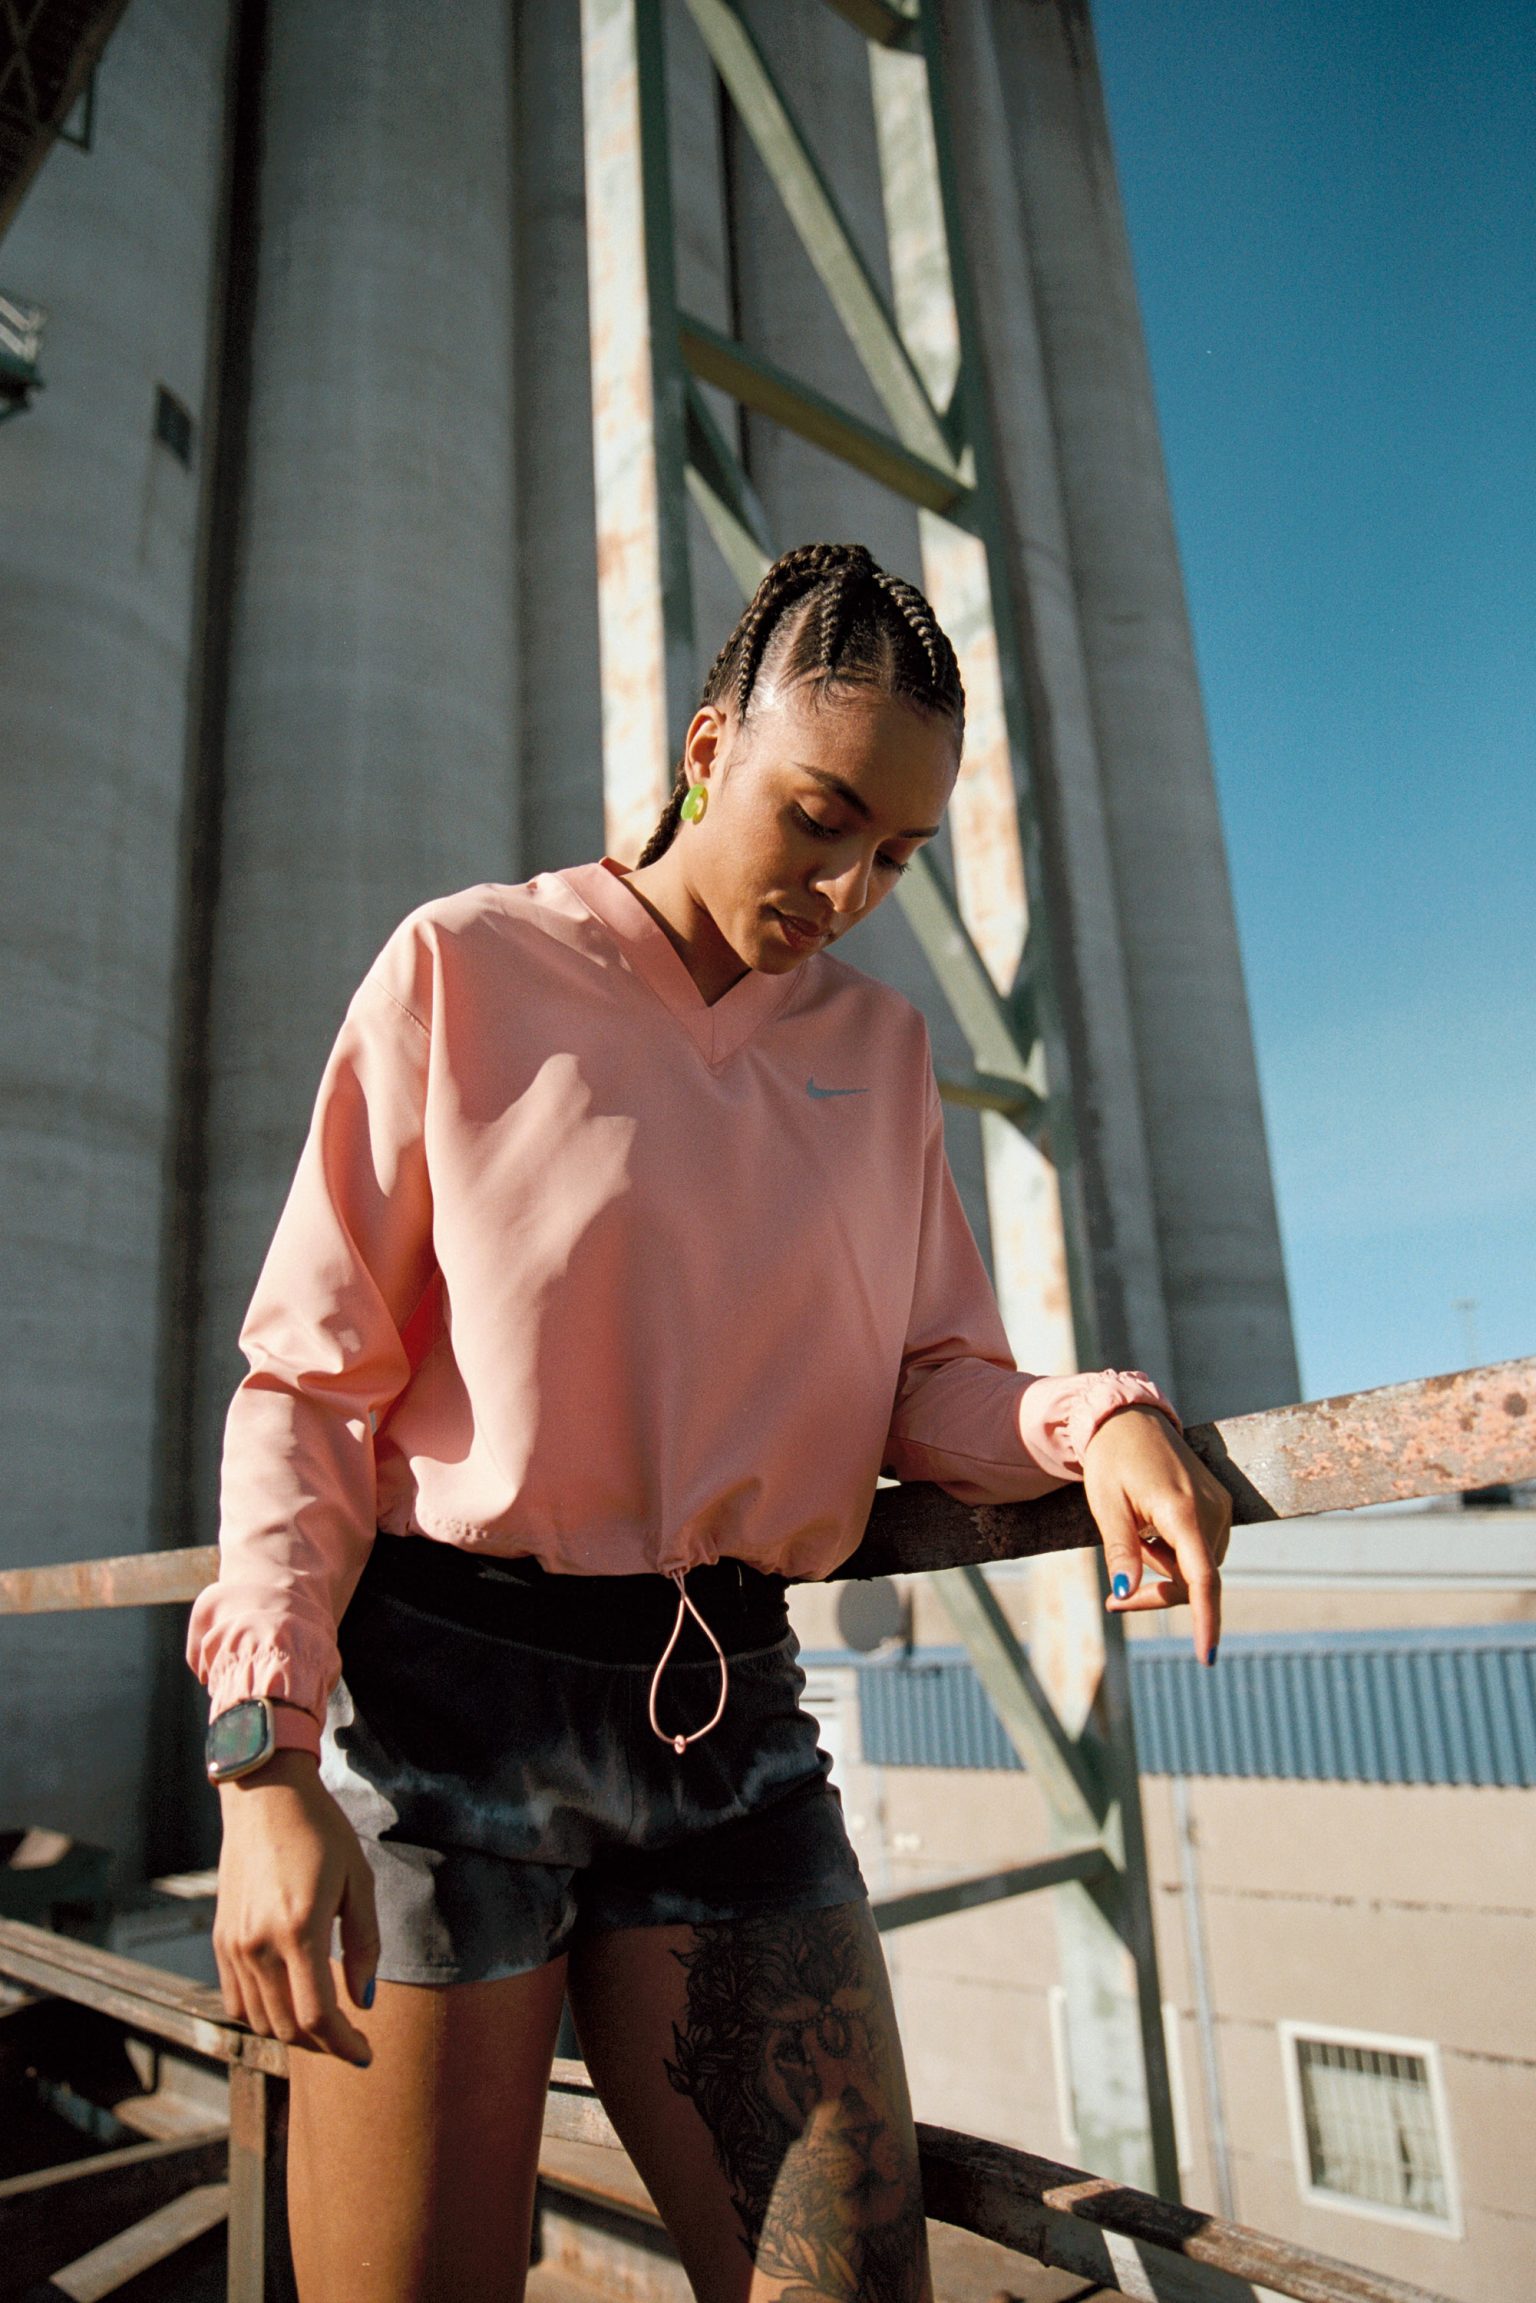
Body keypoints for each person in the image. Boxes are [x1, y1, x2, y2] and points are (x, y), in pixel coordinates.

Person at [189, 540, 1231, 2303]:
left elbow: (929, 1376)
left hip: (728, 1719)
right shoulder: (466, 967)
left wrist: (1095, 1422)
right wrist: (265, 1762)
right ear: (704, 749)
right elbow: (310, 1380)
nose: (847, 887)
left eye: (896, 855)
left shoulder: (884, 1054)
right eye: (819, 818)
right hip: (441, 1719)